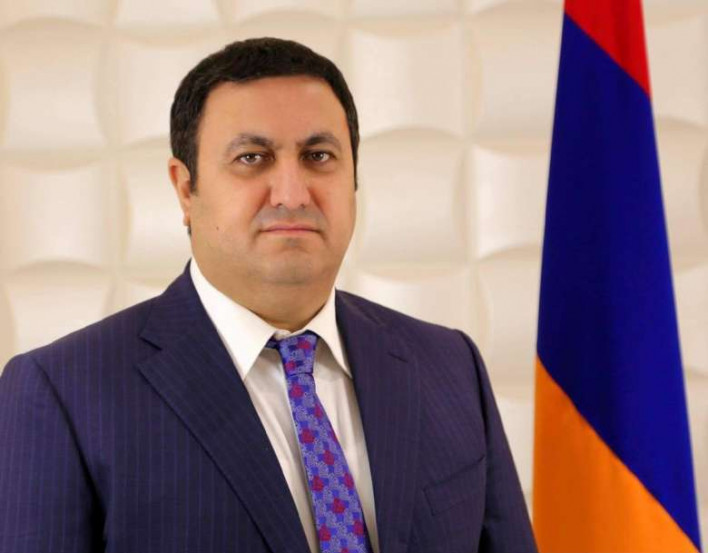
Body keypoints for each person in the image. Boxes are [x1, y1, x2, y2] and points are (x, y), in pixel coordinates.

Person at [0, 38, 537, 553]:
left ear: (354, 177)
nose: (292, 193)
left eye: (319, 156)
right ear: (185, 188)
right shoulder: (63, 393)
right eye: (252, 158)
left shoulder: (449, 366)